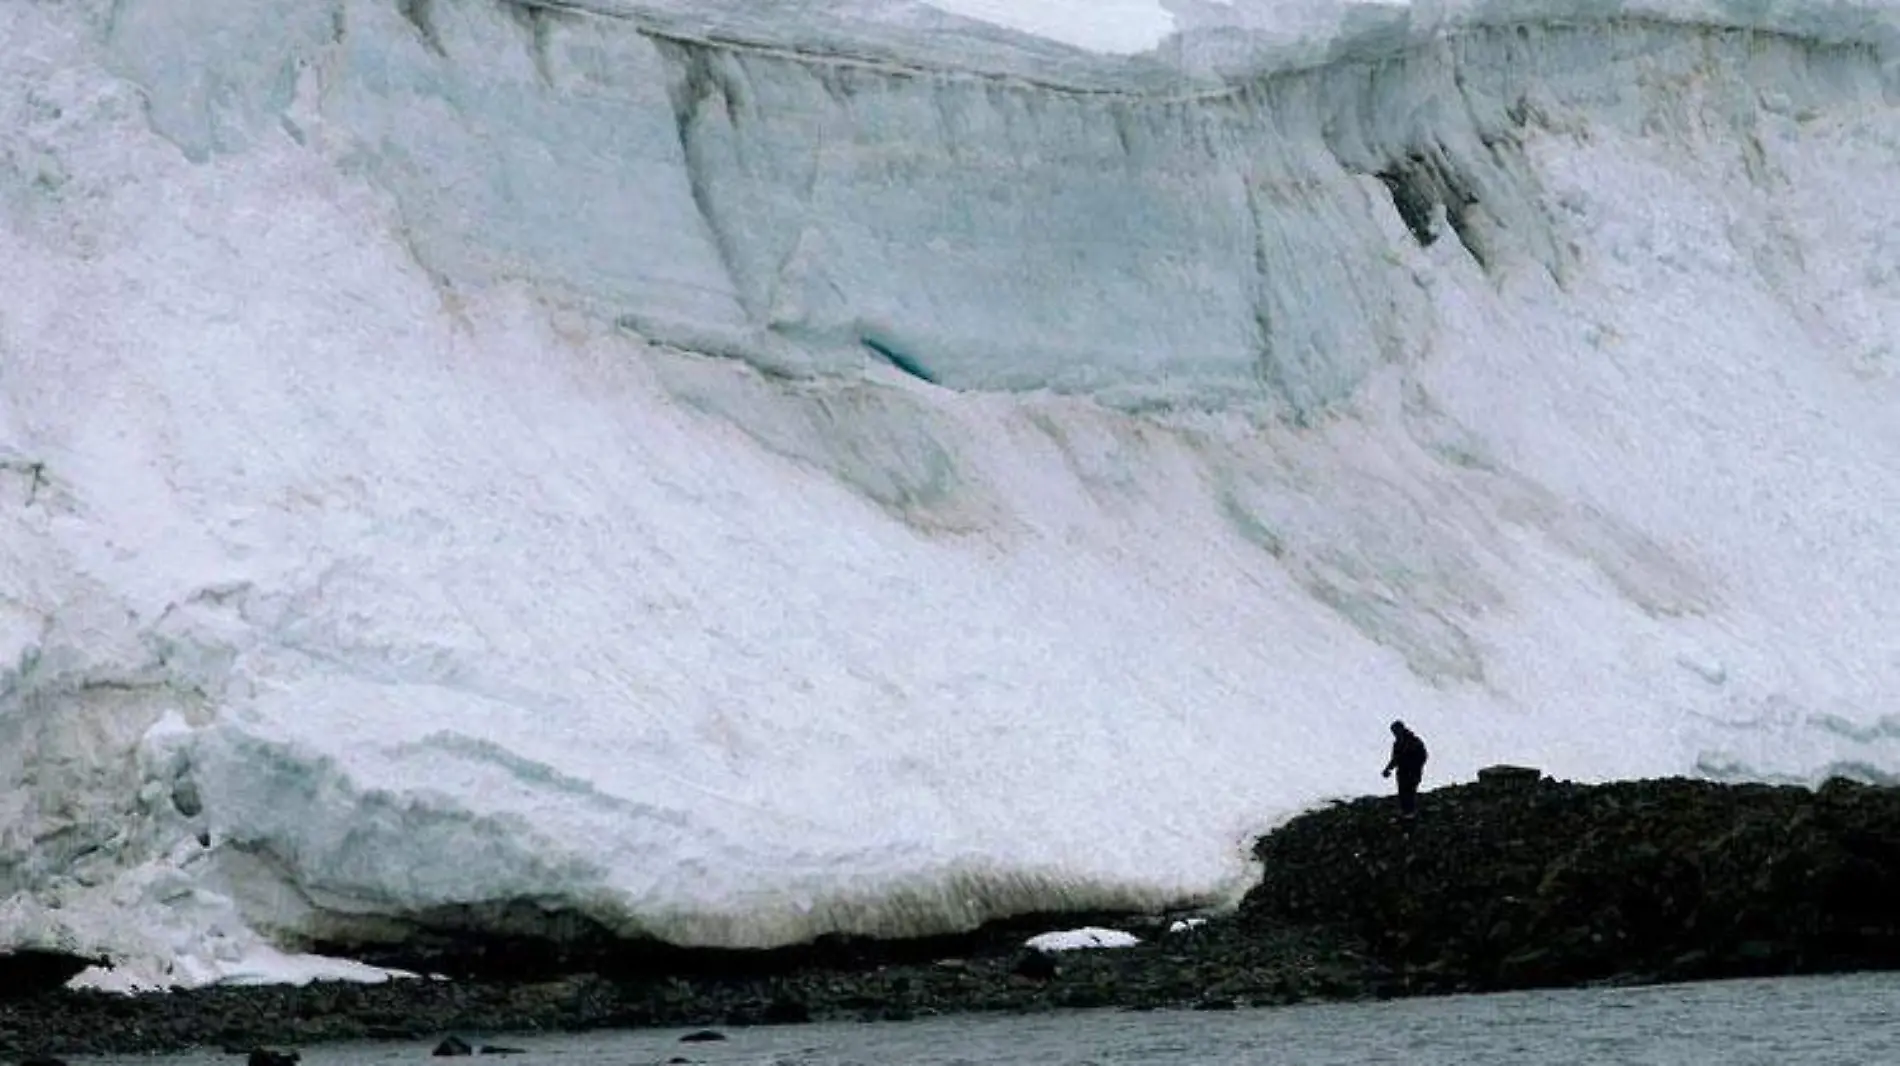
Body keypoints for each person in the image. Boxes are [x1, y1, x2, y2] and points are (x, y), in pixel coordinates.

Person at [1382, 720, 1428, 817]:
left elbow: (1423, 756)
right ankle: (1406, 812)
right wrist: (1388, 769)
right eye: (1393, 732)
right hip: (1403, 772)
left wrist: (1414, 766)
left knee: (1409, 792)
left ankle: (1410, 813)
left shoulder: (1414, 741)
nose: (1395, 734)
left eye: (1395, 731)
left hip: (1412, 772)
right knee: (1403, 792)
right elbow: (1395, 759)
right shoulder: (1398, 743)